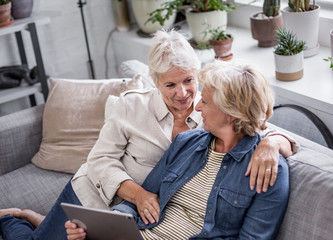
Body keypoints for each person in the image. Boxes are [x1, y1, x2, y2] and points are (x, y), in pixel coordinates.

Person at [0, 30, 296, 240]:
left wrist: (273, 142)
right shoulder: (134, 107)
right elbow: (100, 161)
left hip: (134, 221)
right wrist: (138, 197)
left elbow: (252, 117)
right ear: (155, 81)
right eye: (170, 85)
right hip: (97, 196)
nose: (186, 96)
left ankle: (36, 221)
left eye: (190, 82)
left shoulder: (210, 117)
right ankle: (18, 220)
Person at [66, 60, 290, 240]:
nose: (198, 106)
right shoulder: (186, 142)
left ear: (230, 112)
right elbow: (139, 203)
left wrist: (272, 141)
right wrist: (107, 227)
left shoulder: (269, 170)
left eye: (207, 102)